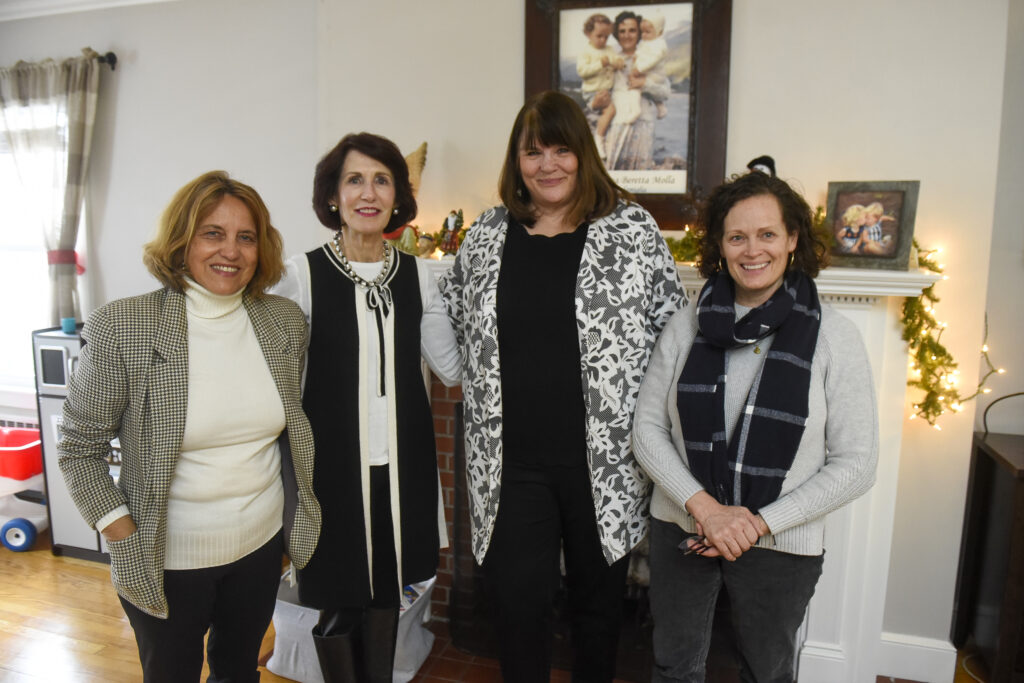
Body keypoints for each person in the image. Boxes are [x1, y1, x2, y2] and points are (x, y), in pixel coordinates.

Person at [439, 90, 685, 682]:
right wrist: (463, 379)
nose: (547, 164)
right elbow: (444, 309)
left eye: (560, 149)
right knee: (518, 612)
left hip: (604, 463)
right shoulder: (489, 233)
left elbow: (673, 333)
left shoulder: (632, 229)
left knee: (597, 613)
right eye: (532, 151)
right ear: (516, 161)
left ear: (584, 153)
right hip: (509, 465)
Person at [57, 171, 320, 682]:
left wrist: (288, 531)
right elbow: (78, 448)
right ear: (181, 242)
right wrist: (122, 535)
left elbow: (289, 432)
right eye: (212, 233)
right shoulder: (125, 327)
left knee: (239, 670)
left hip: (260, 547)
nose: (232, 250)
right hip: (164, 554)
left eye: (246, 237)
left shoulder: (284, 323)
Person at [632, 163, 879, 682]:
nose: (752, 250)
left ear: (792, 238)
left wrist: (756, 524)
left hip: (782, 541)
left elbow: (858, 464)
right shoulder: (685, 325)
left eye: (767, 234)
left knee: (764, 673)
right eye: (737, 236)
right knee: (673, 667)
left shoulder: (835, 336)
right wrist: (705, 508)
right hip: (682, 527)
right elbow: (647, 430)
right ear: (720, 246)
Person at [273, 132, 460, 683]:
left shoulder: (422, 276)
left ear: (398, 195)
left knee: (387, 595)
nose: (368, 192)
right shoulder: (299, 277)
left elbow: (450, 368)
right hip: (331, 473)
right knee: (337, 596)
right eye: (354, 179)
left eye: (382, 180)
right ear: (333, 195)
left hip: (401, 470)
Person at [604, 10, 671, 170]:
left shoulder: (650, 57)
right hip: (617, 124)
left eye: (632, 30)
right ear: (616, 34)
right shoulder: (612, 59)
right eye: (622, 31)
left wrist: (644, 83)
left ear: (640, 33)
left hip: (643, 124)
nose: (627, 35)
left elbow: (665, 92)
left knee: (640, 178)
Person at [577, 12, 622, 160]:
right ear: (588, 33)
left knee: (610, 110)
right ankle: (599, 138)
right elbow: (582, 72)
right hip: (592, 91)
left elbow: (615, 60)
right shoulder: (586, 52)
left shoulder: (609, 49)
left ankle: (600, 136)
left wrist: (617, 63)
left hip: (607, 89)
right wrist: (600, 64)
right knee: (611, 110)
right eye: (599, 36)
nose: (603, 40)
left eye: (606, 36)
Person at [635, 13, 671, 120]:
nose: (644, 35)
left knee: (645, 86)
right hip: (647, 71)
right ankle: (660, 107)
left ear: (659, 32)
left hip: (656, 74)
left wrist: (639, 68)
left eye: (647, 32)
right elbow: (640, 52)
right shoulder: (646, 42)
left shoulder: (659, 44)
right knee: (645, 88)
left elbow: (653, 60)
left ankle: (660, 107)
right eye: (642, 32)